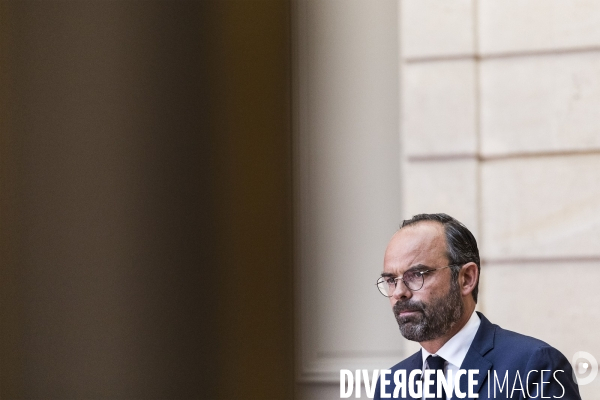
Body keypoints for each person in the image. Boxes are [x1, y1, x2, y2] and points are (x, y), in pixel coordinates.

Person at [374, 213, 581, 400]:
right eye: (391, 280)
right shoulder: (390, 385)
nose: (399, 292)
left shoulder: (535, 367)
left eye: (416, 275)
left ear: (466, 278)